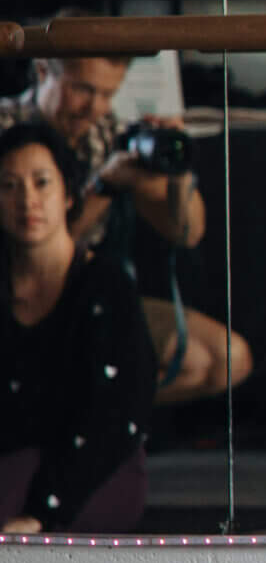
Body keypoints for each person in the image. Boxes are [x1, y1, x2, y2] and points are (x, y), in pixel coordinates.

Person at [0, 46, 251, 404]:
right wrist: (105, 186)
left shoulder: (107, 134)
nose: (95, 107)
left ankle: (97, 423)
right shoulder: (7, 129)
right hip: (17, 298)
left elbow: (187, 233)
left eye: (108, 94)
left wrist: (178, 168)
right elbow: (39, 248)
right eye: (83, 89)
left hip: (89, 298)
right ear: (43, 71)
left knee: (224, 357)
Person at [0, 121, 153, 533]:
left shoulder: (105, 285)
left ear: (68, 193)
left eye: (41, 182)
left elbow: (117, 416)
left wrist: (40, 512)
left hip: (93, 469)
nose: (26, 199)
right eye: (9, 186)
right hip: (13, 459)